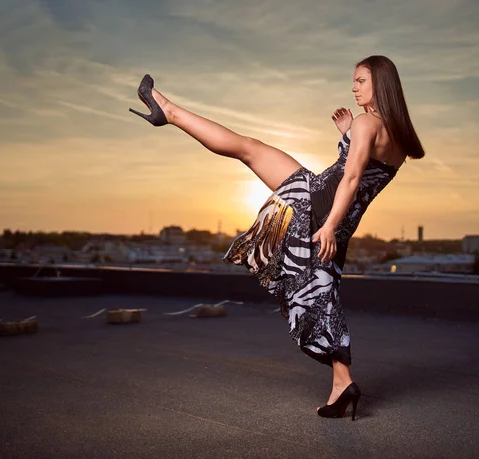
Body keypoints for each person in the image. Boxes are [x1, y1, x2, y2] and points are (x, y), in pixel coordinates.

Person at [129, 55, 425, 421]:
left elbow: (350, 179)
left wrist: (330, 224)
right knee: (319, 292)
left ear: (381, 83)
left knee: (246, 149)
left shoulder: (367, 124)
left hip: (320, 204)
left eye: (360, 81)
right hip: (334, 210)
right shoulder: (396, 138)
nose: (353, 87)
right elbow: (364, 175)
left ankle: (169, 111)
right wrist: (348, 135)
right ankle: (341, 383)